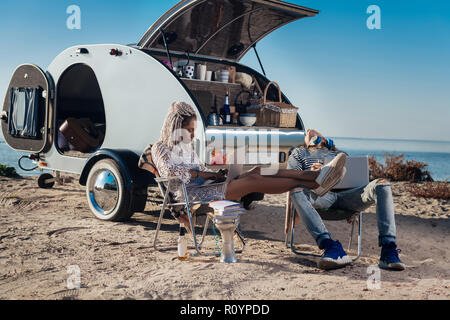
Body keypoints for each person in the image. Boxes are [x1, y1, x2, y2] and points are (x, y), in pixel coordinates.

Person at [139, 102, 347, 227]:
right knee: (255, 179)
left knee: (258, 170)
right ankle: (314, 182)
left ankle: (314, 177)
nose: (193, 135)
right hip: (191, 196)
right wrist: (205, 175)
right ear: (175, 127)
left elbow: (200, 169)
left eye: (194, 130)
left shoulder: (188, 148)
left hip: (208, 186)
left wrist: (216, 173)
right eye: (189, 130)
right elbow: (172, 173)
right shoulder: (160, 148)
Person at [287, 129, 405, 271]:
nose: (312, 132)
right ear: (307, 142)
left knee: (382, 183)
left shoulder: (340, 154)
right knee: (296, 188)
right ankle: (330, 246)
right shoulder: (299, 153)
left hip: (346, 197)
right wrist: (312, 174)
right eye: (309, 135)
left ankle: (388, 250)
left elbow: (356, 180)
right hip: (319, 197)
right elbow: (292, 178)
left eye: (320, 135)